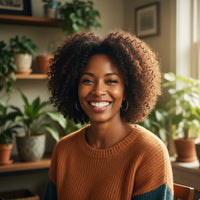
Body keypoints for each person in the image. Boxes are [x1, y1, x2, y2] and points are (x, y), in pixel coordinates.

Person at [44, 31, 173, 200]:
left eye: (111, 81)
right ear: (74, 88)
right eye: (87, 81)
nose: (98, 91)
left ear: (127, 90)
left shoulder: (149, 152)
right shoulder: (64, 150)